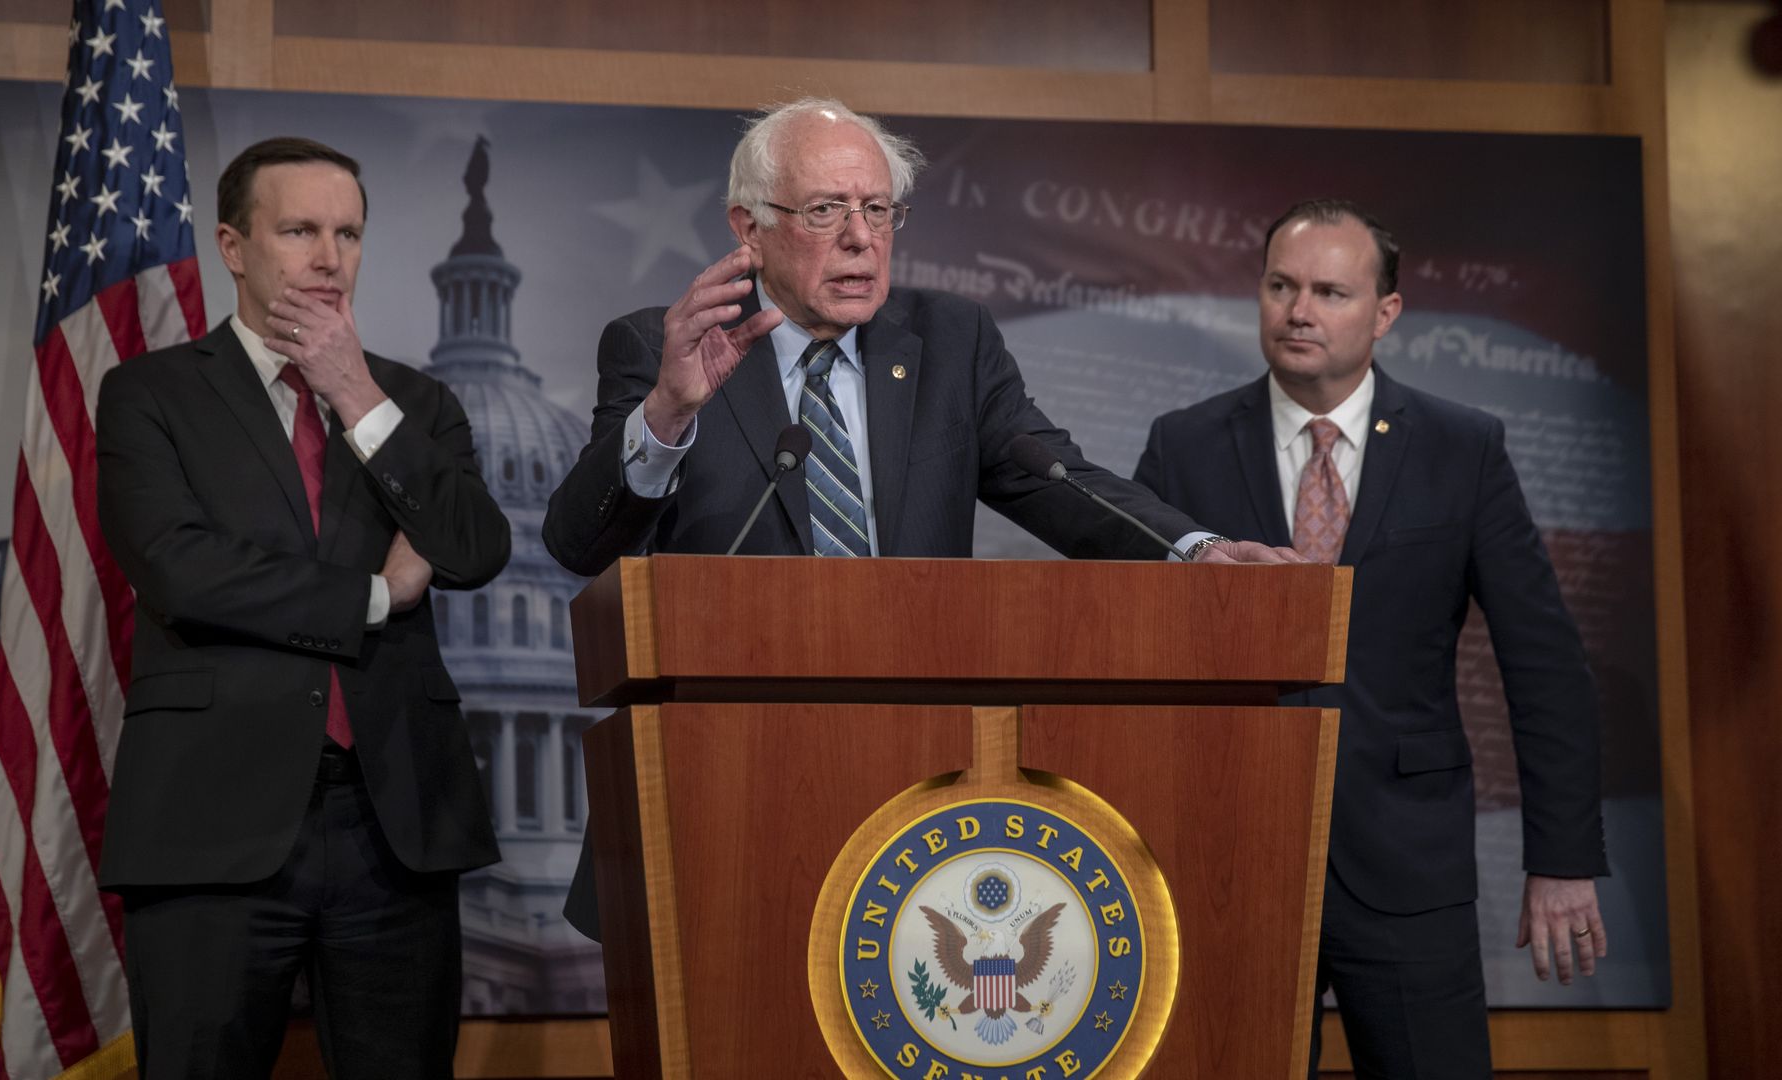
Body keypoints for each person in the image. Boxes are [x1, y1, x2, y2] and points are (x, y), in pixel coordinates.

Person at [543, 98, 1302, 939]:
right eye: (826, 210)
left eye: (879, 210)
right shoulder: (664, 347)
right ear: (747, 227)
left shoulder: (950, 342)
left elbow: (1060, 481)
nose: (862, 238)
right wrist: (667, 415)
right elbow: (581, 543)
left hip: (922, 791)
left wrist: (1196, 552)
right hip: (724, 784)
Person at [1134, 199, 1609, 1078]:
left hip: (1407, 865)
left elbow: (1543, 663)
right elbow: (1133, 661)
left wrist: (1564, 860)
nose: (1298, 310)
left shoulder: (1463, 449)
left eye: (1328, 291)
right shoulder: (1184, 446)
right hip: (1227, 859)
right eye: (1280, 286)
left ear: (1385, 312)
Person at [95, 137, 510, 1079]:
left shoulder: (419, 404)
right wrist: (377, 592)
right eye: (300, 231)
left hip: (392, 826)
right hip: (211, 825)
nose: (329, 257)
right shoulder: (150, 396)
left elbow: (477, 548)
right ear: (235, 247)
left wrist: (355, 393)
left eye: (348, 233)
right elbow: (181, 570)